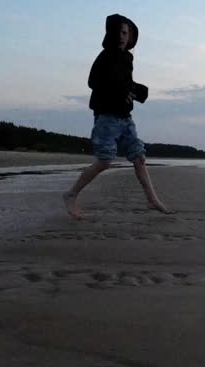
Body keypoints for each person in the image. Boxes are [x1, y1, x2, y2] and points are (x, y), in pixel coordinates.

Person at [63, 14, 172, 219]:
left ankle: (152, 200)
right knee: (104, 161)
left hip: (125, 118)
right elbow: (93, 81)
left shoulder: (127, 58)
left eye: (126, 33)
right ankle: (71, 194)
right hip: (107, 117)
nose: (122, 37)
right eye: (119, 32)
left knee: (139, 158)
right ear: (111, 34)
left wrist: (134, 91)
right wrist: (120, 90)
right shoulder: (105, 56)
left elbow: (125, 83)